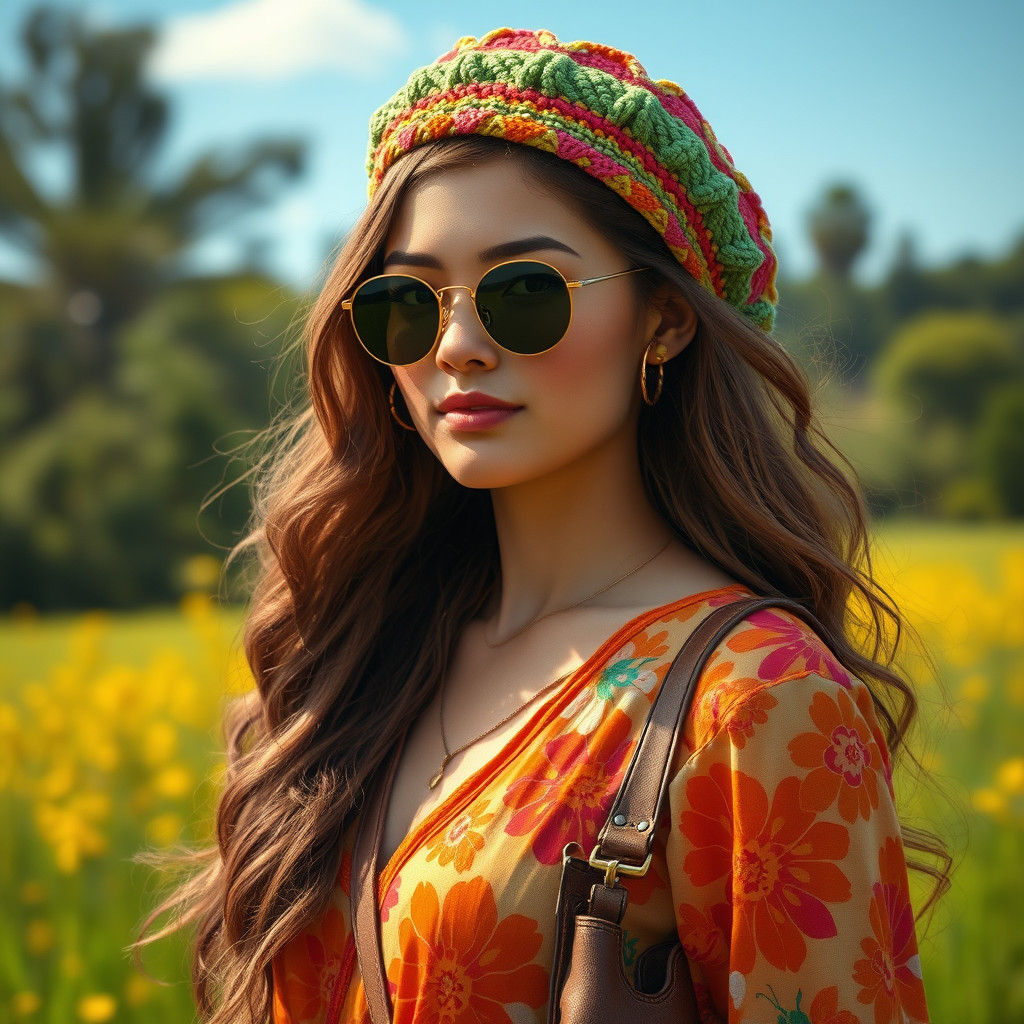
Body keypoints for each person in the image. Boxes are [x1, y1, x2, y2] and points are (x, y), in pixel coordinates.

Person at [132, 26, 949, 1024]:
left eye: (523, 293)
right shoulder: (367, 657)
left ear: (665, 320)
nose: (457, 345)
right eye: (407, 302)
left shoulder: (759, 699)